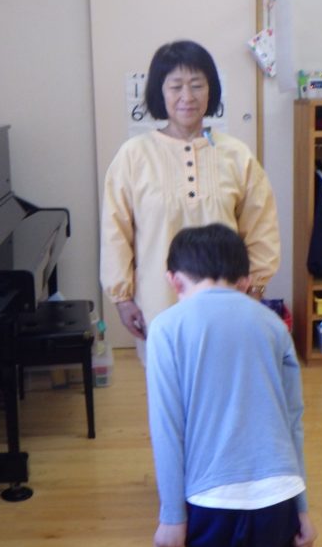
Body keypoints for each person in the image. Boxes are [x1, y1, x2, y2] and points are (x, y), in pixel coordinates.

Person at [100, 40, 280, 362]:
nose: (187, 96)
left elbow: (261, 227)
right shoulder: (133, 156)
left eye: (197, 85)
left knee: (223, 384)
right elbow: (116, 233)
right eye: (176, 86)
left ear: (211, 91)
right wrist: (122, 298)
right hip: (158, 305)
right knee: (167, 386)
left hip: (228, 305)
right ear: (160, 92)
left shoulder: (236, 155)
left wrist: (255, 289)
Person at [146, 224, 316, 547]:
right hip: (279, 497)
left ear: (174, 280)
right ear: (246, 281)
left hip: (210, 501)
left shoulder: (166, 328)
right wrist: (302, 509)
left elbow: (167, 429)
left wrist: (172, 517)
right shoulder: (274, 326)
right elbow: (293, 422)